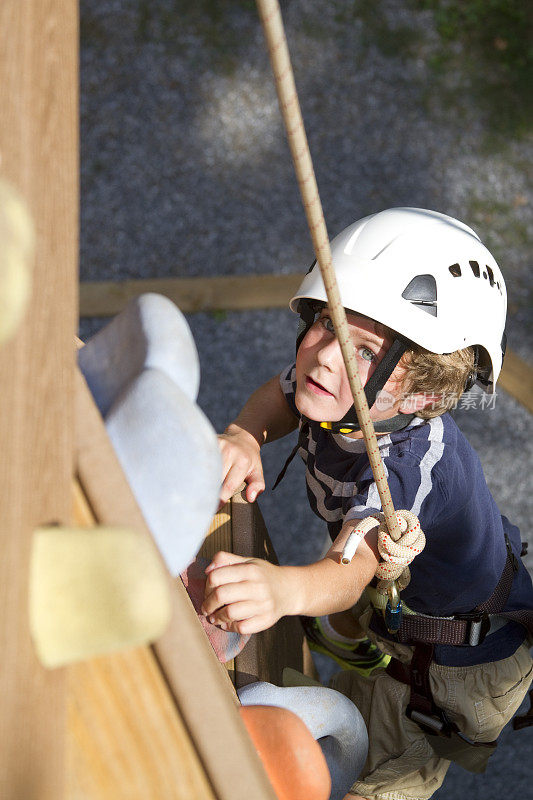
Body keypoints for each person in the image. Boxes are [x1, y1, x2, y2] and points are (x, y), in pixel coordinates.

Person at [201, 207, 533, 800]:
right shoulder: (338, 386)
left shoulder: (410, 469)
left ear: (426, 391)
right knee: (352, 698)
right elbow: (280, 393)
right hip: (404, 618)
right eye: (326, 323)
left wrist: (283, 591)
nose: (327, 355)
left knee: (375, 778)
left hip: (461, 662)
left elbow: (353, 568)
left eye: (365, 351)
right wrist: (246, 434)